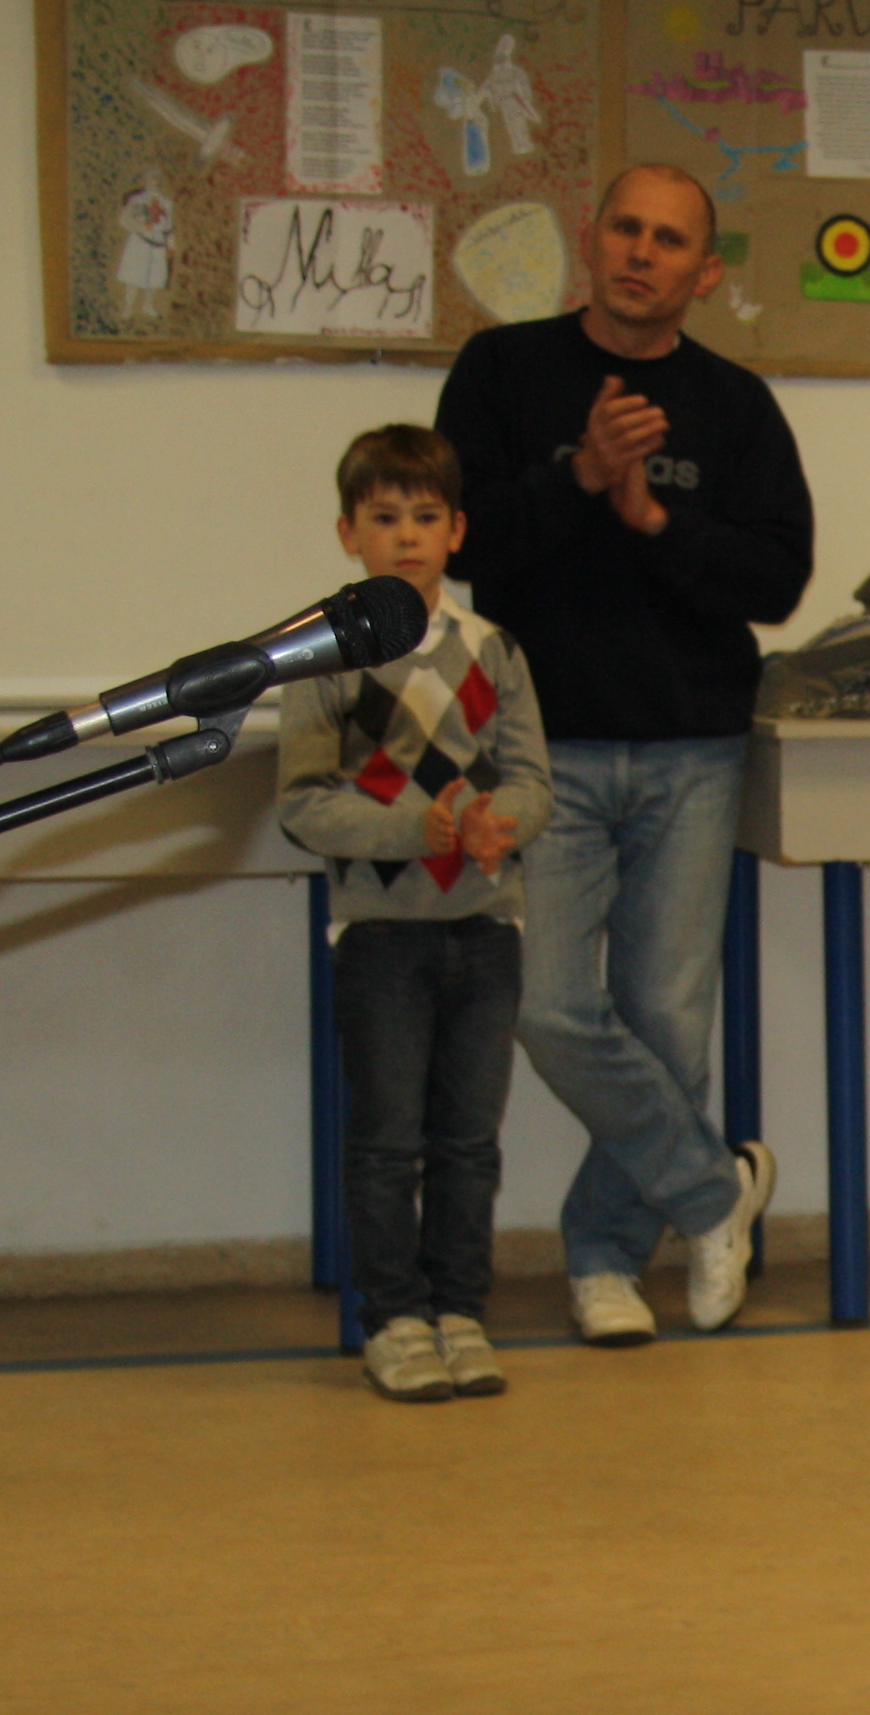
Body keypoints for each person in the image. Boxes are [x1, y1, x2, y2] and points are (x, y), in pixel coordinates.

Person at [438, 162, 812, 1346]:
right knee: (547, 1005)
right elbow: (462, 541)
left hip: (693, 747)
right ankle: (712, 1192)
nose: (641, 253)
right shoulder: (502, 372)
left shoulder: (735, 405)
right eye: (625, 229)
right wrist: (583, 477)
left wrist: (653, 519)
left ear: (704, 273)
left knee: (666, 1021)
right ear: (592, 241)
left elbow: (778, 580)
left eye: (669, 240)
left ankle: (605, 1257)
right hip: (538, 750)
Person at [276, 425, 550, 1402]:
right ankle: (393, 1320)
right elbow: (305, 803)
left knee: (469, 1139)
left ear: (456, 531)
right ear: (348, 534)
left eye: (425, 517)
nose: (405, 536)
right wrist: (412, 829)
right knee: (388, 1140)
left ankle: (460, 1312)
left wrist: (498, 824)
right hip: (381, 935)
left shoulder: (492, 649)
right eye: (384, 518)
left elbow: (531, 780)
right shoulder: (323, 657)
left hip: (487, 926)